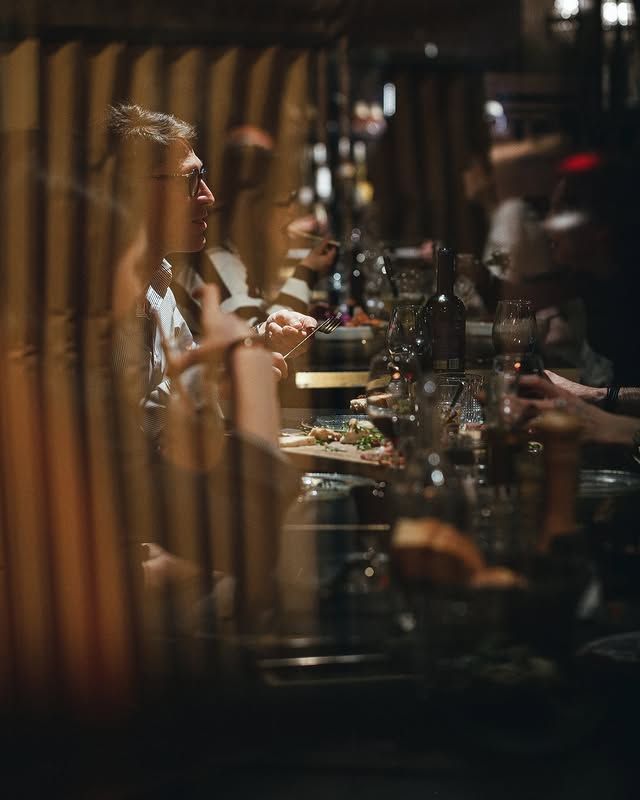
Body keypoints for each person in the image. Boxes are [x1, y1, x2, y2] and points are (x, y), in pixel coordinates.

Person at [172, 123, 338, 353]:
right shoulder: (214, 264)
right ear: (250, 210)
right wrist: (304, 273)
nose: (292, 213)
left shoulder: (231, 256)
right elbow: (264, 343)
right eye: (283, 202)